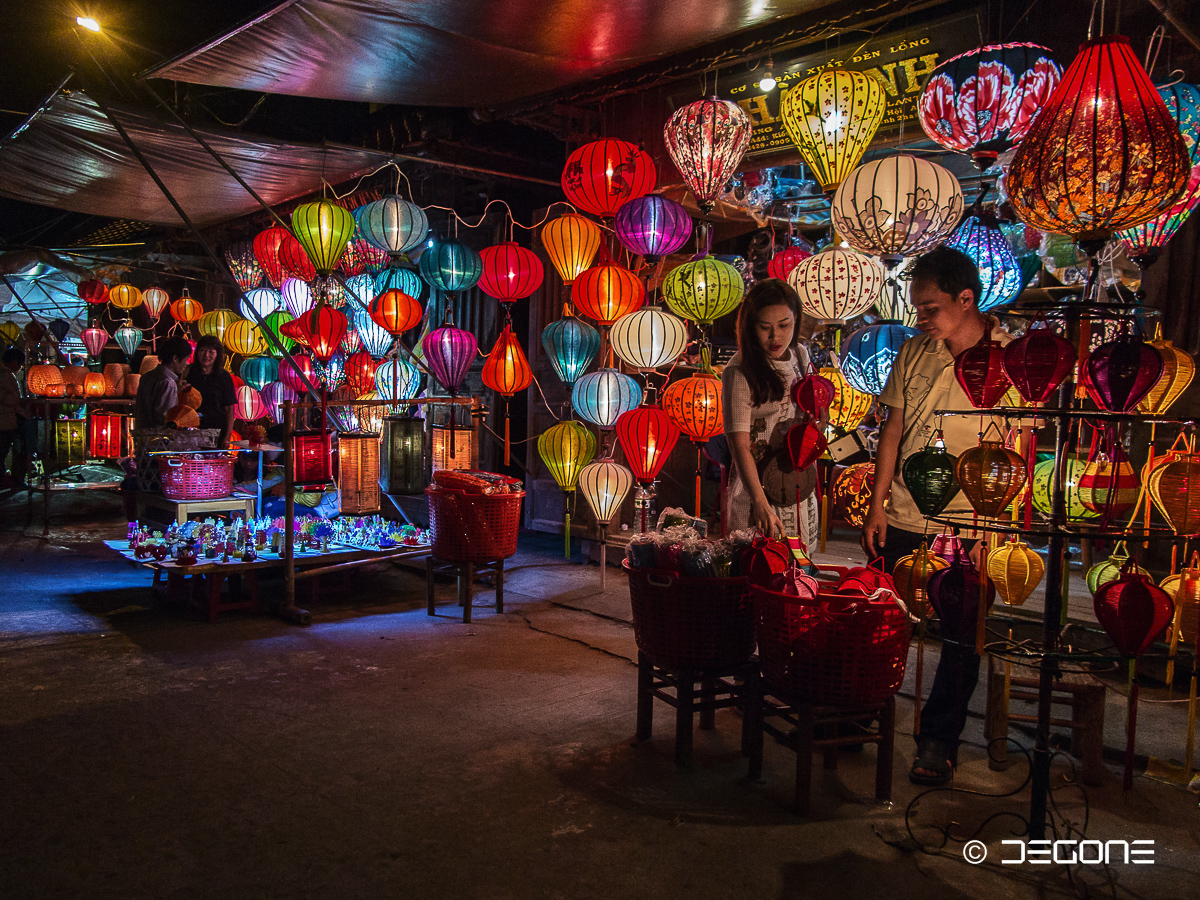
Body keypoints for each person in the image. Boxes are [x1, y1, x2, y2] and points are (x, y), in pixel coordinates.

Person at [860, 245, 1012, 786]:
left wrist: (991, 524)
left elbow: (1018, 443)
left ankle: (938, 738)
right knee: (883, 620)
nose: (919, 320)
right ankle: (863, 713)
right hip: (905, 510)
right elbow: (893, 431)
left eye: (929, 309)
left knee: (960, 635)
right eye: (916, 309)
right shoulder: (914, 352)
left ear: (966, 299)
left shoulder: (1010, 356)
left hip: (971, 519)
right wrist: (877, 503)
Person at [721, 278, 822, 546]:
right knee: (758, 565)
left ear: (796, 319)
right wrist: (759, 502)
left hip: (796, 481)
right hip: (757, 486)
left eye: (784, 325)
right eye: (765, 327)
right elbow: (739, 444)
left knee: (799, 568)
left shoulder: (800, 355)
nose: (775, 337)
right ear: (750, 326)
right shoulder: (739, 370)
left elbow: (809, 413)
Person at [184, 334, 237, 447]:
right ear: (197, 352)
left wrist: (227, 437)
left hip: (216, 431)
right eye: (203, 350)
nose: (206, 355)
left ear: (217, 355)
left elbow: (230, 409)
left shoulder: (224, 376)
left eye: (211, 352)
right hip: (190, 430)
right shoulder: (188, 372)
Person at [135, 336, 192, 430]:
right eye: (186, 359)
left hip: (142, 437)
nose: (186, 364)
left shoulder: (146, 377)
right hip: (159, 440)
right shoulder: (168, 382)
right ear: (175, 358)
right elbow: (166, 418)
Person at [0, 348, 28, 489]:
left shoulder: (7, 376)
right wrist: (18, 401)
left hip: (8, 421)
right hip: (8, 422)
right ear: (13, 362)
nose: (19, 367)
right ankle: (16, 481)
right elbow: (5, 398)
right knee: (16, 451)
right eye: (19, 363)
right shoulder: (6, 377)